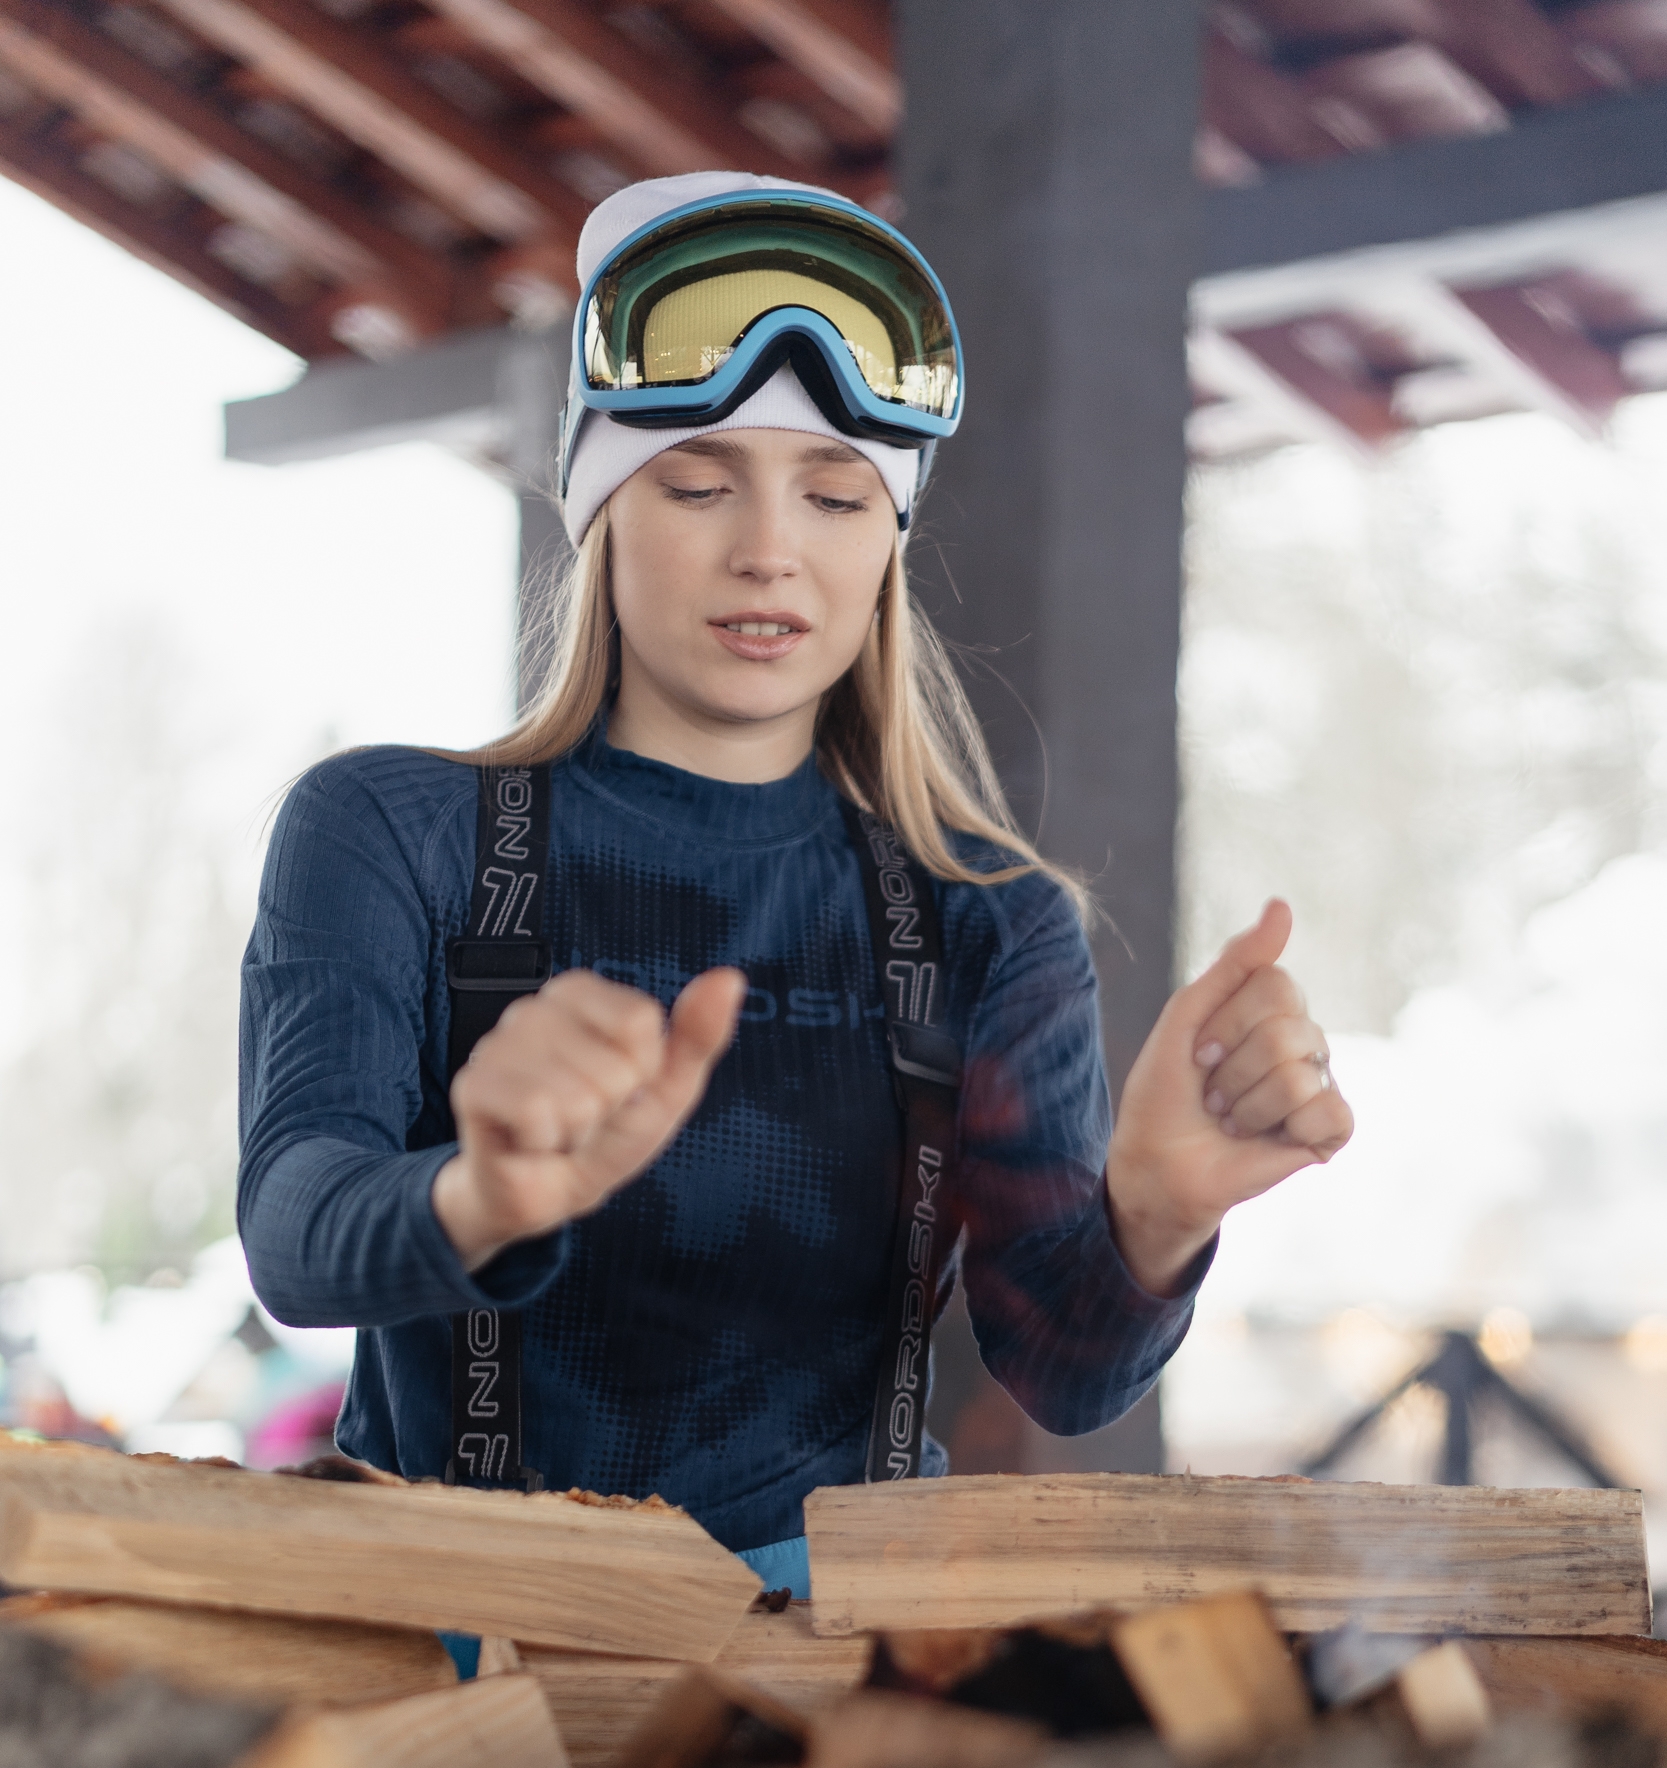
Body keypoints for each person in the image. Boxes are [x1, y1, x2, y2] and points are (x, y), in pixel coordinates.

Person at [239, 171, 1353, 1602]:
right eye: (699, 482)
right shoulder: (389, 831)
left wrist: (1153, 1217)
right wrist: (481, 1195)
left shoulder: (988, 919)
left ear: (887, 540)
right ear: (600, 511)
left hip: (834, 1671)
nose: (769, 547)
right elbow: (294, 1231)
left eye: (835, 494)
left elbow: (1065, 1371)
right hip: (461, 1639)